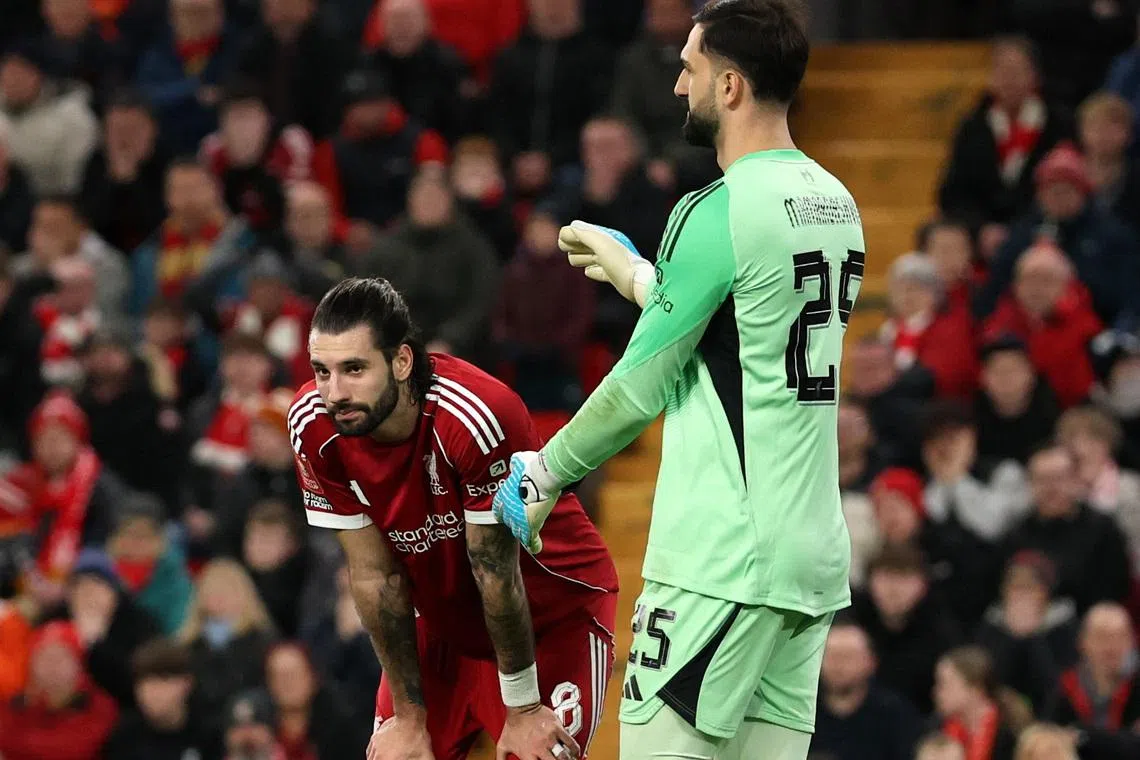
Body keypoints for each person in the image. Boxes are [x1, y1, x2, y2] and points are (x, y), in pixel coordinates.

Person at [493, 2, 864, 758]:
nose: (676, 90)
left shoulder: (716, 208)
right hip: (808, 560)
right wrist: (639, 277)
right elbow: (744, 333)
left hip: (720, 562)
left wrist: (545, 473)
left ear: (729, 87)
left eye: (688, 69)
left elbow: (639, 384)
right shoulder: (837, 203)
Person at [288, 277, 619, 760]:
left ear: (402, 361)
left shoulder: (476, 415)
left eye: (354, 369)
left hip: (551, 615)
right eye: (322, 371)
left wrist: (524, 709)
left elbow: (494, 569)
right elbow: (376, 577)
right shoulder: (312, 426)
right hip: (445, 626)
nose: (333, 392)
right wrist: (407, 717)